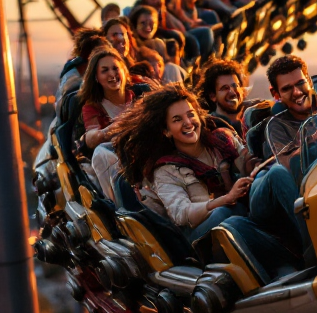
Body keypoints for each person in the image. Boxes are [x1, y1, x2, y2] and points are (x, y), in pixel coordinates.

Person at [110, 86, 302, 271]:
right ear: (166, 131)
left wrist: (257, 167)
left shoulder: (222, 139)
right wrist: (225, 199)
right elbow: (182, 214)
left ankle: (311, 245)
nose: (187, 123)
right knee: (228, 214)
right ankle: (276, 266)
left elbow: (247, 161)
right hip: (207, 234)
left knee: (274, 173)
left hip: (247, 208)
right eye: (177, 119)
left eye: (190, 114)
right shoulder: (164, 170)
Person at [79, 46, 137, 201]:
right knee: (100, 153)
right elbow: (92, 138)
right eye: (105, 71)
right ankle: (119, 207)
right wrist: (115, 128)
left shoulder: (140, 97)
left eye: (115, 68)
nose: (112, 74)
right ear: (97, 77)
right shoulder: (93, 107)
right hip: (118, 162)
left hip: (144, 155)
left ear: (124, 72)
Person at [264, 54, 317, 169]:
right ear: (276, 94)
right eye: (287, 89)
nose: (296, 92)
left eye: (300, 83)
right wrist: (310, 141)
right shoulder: (278, 127)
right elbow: (287, 165)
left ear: (309, 81)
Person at [197, 59, 257, 138]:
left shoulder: (254, 117)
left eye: (235, 86)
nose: (232, 92)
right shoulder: (209, 128)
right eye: (225, 88)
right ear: (213, 96)